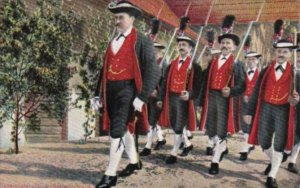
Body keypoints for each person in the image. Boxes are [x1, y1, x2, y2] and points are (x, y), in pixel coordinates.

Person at [90, 1, 160, 187]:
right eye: (115, 17)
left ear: (132, 19)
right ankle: (134, 161)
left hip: (128, 90)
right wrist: (97, 94)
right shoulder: (112, 42)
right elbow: (103, 70)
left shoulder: (142, 41)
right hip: (110, 91)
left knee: (116, 130)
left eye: (121, 17)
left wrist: (142, 97)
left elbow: (154, 72)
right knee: (123, 127)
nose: (117, 21)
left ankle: (110, 174)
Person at [244, 39, 299, 187]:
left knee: (279, 144)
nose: (281, 54)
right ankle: (277, 159)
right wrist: (249, 111)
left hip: (283, 111)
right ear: (275, 52)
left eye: (285, 52)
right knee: (263, 141)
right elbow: (256, 91)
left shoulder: (295, 73)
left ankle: (272, 175)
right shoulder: (265, 70)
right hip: (265, 109)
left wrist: (296, 99)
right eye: (279, 51)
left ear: (290, 54)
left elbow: (297, 95)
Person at [199, 33, 245, 175]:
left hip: (225, 100)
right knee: (211, 129)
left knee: (221, 130)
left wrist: (231, 91)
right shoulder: (213, 61)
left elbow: (242, 85)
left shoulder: (236, 64)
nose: (225, 45)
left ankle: (215, 160)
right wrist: (201, 101)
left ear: (234, 47)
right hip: (211, 97)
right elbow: (204, 81)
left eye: (228, 43)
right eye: (223, 42)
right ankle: (222, 147)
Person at [157, 35, 202, 164]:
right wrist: (160, 98)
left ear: (190, 49)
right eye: (180, 45)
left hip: (184, 100)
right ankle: (187, 145)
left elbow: (198, 87)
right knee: (174, 122)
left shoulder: (194, 66)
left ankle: (173, 153)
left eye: (184, 45)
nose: (181, 47)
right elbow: (165, 82)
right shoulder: (172, 64)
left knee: (178, 126)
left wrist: (189, 94)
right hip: (171, 97)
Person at [140, 42, 167, 156]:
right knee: (152, 120)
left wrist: (158, 92)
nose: (153, 52)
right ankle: (161, 139)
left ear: (160, 51)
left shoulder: (163, 63)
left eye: (156, 50)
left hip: (157, 96)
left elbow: (164, 81)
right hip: (148, 95)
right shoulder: (149, 63)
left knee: (151, 121)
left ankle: (148, 146)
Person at [238, 52, 261, 161]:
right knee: (244, 125)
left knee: (250, 125)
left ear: (257, 61)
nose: (251, 61)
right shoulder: (243, 73)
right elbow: (240, 87)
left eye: (253, 59)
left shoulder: (261, 74)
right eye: (249, 59)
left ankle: (245, 148)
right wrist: (243, 95)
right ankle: (248, 145)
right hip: (243, 102)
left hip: (255, 104)